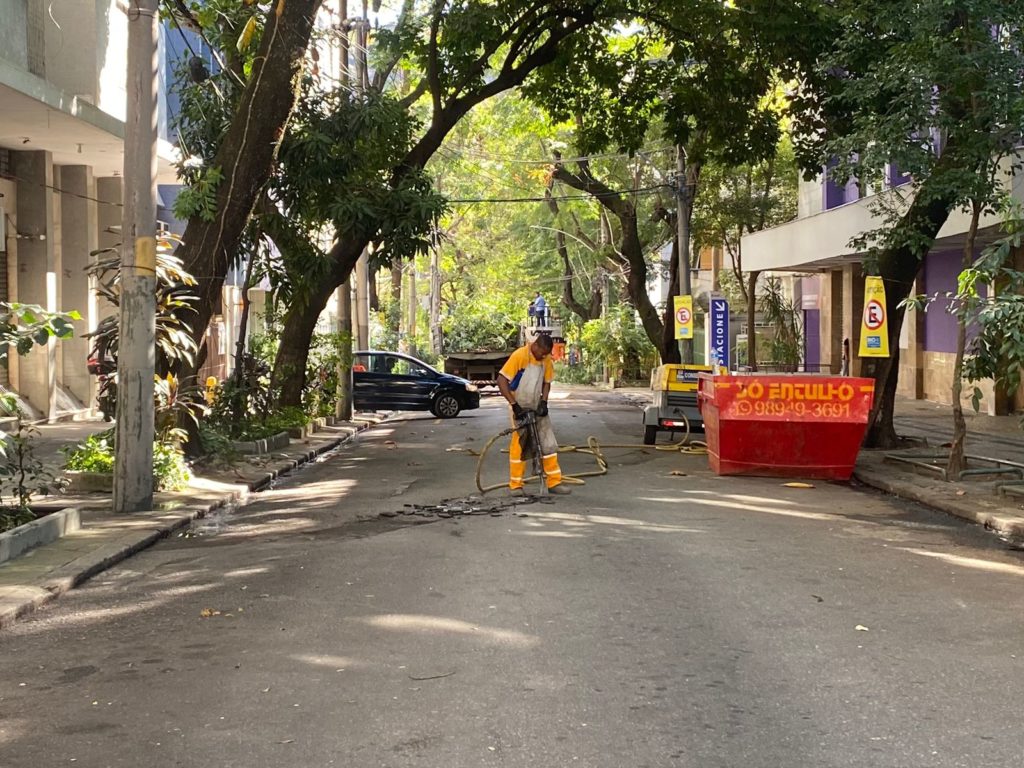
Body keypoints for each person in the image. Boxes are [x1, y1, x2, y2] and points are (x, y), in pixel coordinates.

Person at [497, 333, 570, 496]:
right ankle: (515, 485)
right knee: (520, 442)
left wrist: (544, 402)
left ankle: (554, 482)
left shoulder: (545, 360)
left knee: (547, 442)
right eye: (541, 353)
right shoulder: (520, 356)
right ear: (535, 346)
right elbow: (501, 381)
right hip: (519, 402)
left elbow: (546, 382)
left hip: (536, 402)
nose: (543, 356)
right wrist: (514, 405)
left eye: (546, 354)